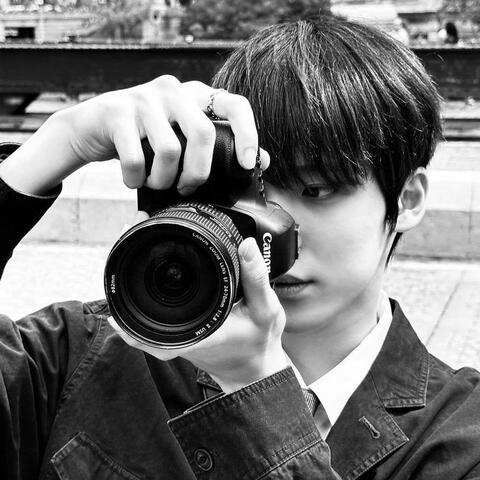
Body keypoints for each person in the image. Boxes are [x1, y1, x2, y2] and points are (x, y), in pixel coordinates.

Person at [1, 15, 479, 480]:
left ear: (407, 199)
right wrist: (62, 142)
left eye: (315, 190)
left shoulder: (459, 436)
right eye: (248, 193)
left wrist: (255, 390)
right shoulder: (86, 353)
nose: (273, 230)